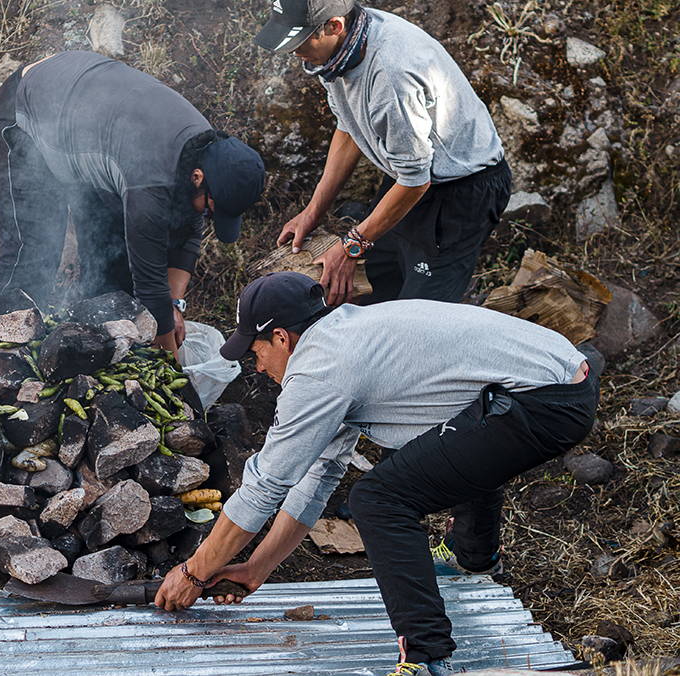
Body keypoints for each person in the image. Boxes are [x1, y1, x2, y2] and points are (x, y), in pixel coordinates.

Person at [154, 272, 599, 676]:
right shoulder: (347, 336)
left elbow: (264, 488)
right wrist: (257, 568)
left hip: (543, 402)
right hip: (552, 382)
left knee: (378, 499)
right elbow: (318, 475)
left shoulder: (319, 370)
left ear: (281, 338)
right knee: (451, 434)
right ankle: (472, 556)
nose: (257, 367)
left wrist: (193, 573)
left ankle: (426, 657)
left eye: (256, 352)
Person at [256, 0, 511, 306]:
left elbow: (415, 180)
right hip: (408, 179)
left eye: (300, 39)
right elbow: (349, 128)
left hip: (459, 193)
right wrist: (313, 211)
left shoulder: (391, 75)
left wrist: (351, 246)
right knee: (373, 288)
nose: (294, 52)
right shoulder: (339, 50)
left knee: (417, 319)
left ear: (334, 25)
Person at [0, 50, 266, 351]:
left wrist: (175, 304)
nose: (208, 217)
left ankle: (84, 348)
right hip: (28, 109)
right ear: (198, 177)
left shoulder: (207, 151)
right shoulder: (152, 180)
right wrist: (174, 375)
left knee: (111, 272)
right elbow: (150, 287)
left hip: (93, 129)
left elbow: (188, 230)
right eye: (211, 209)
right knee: (31, 255)